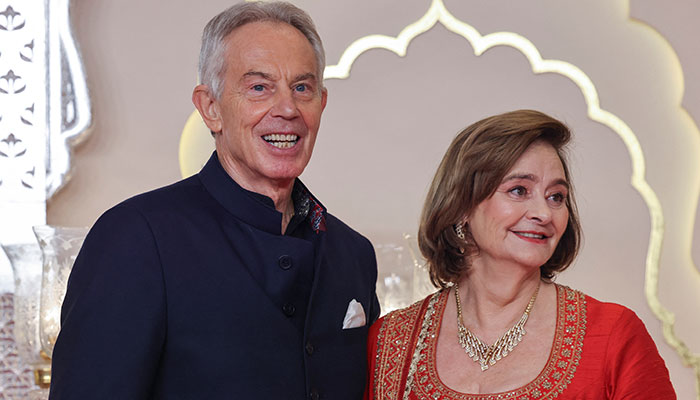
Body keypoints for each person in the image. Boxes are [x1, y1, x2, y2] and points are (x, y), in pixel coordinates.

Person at [50, 2, 379, 399]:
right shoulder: (136, 237)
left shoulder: (352, 253)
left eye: (302, 88)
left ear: (321, 104)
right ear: (210, 109)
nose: (288, 109)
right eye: (259, 88)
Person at [365, 110, 676, 399]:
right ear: (462, 206)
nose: (543, 213)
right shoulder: (389, 342)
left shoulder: (613, 335)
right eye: (518, 190)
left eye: (556, 197)